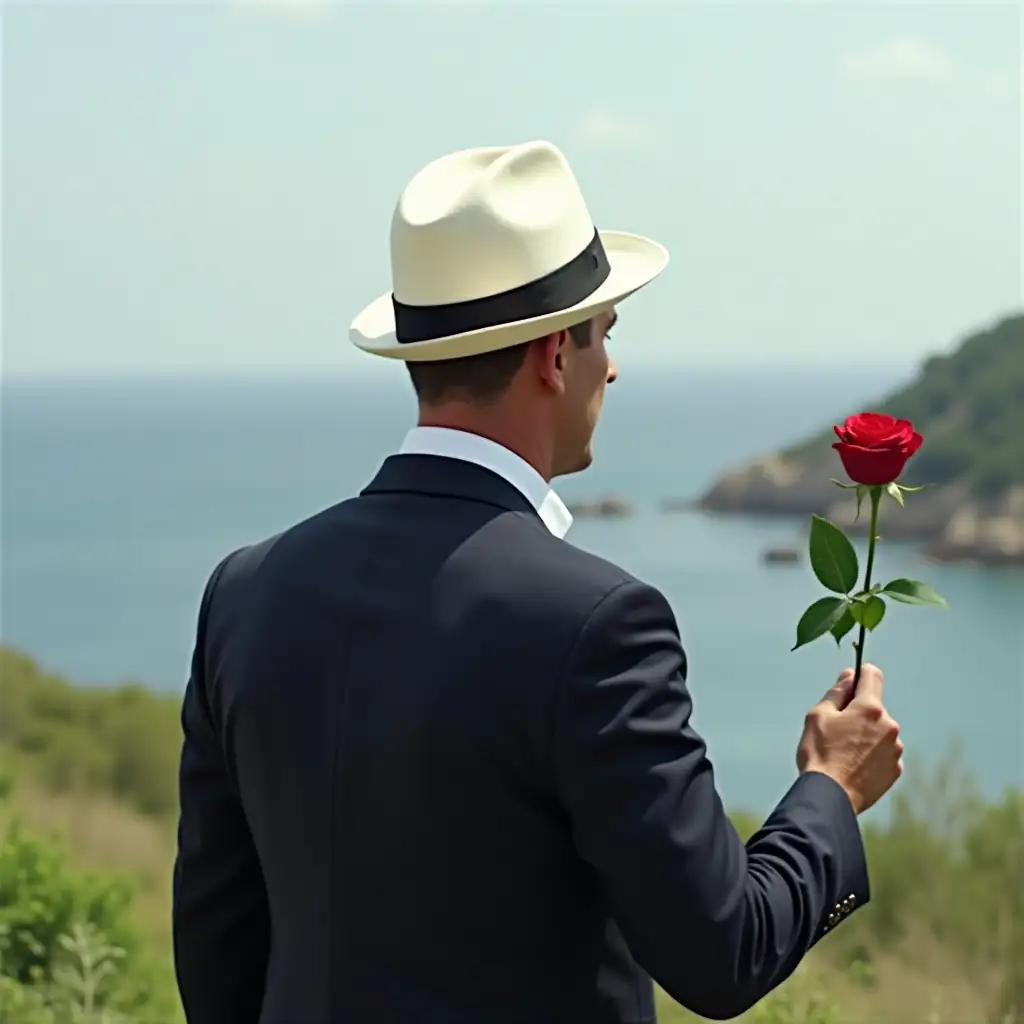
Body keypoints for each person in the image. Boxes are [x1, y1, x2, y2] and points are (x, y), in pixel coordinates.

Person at [172, 140, 904, 1024]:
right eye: (608, 334)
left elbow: (217, 945)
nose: (615, 368)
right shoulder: (597, 625)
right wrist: (832, 787)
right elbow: (722, 953)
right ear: (557, 354)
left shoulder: (245, 593)